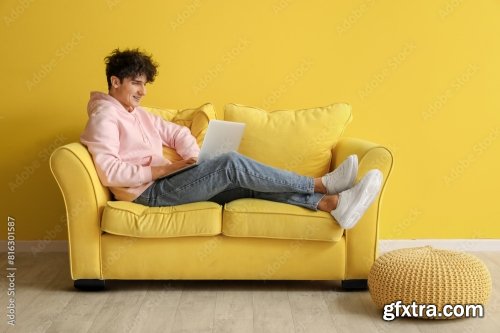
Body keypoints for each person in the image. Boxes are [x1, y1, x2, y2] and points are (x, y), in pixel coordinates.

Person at [80, 48, 383, 230]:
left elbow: (177, 132)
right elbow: (109, 171)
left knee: (244, 185)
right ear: (114, 82)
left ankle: (331, 204)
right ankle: (318, 184)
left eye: (145, 84)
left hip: (166, 182)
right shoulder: (104, 117)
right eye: (136, 83)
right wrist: (160, 171)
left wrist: (193, 158)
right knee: (230, 164)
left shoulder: (138, 113)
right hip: (148, 193)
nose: (143, 91)